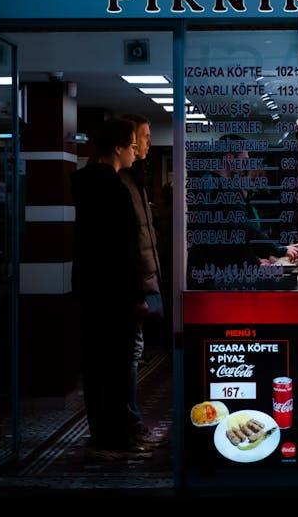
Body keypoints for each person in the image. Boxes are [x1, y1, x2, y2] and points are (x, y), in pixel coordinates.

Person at [69, 117, 150, 458]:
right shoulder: (112, 187)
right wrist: (137, 294)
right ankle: (113, 439)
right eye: (132, 144)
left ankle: (108, 436)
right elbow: (122, 248)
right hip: (113, 294)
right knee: (114, 368)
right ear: (117, 148)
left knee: (100, 366)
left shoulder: (89, 182)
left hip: (93, 290)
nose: (135, 150)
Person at [186, 133, 298, 289]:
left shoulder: (207, 184)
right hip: (217, 277)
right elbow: (242, 229)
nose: (246, 167)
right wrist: (278, 250)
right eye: (244, 161)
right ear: (229, 158)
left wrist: (256, 260)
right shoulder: (223, 189)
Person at [116, 113, 168, 447]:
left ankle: (130, 422)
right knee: (128, 356)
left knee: (133, 353)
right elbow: (127, 245)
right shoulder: (121, 184)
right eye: (144, 136)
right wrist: (139, 290)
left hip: (146, 281)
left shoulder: (134, 179)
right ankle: (129, 425)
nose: (147, 143)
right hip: (135, 286)